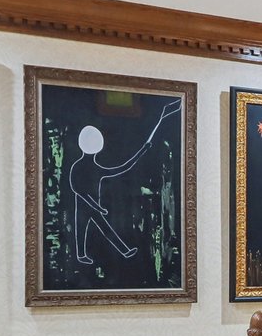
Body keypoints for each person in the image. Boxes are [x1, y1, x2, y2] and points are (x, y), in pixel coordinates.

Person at [67, 100, 179, 265]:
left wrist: (143, 150)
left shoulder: (95, 168)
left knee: (102, 229)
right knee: (82, 229)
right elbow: (78, 190)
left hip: (94, 206)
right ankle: (84, 255)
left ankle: (121, 251)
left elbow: (122, 168)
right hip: (86, 206)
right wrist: (96, 207)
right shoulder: (78, 167)